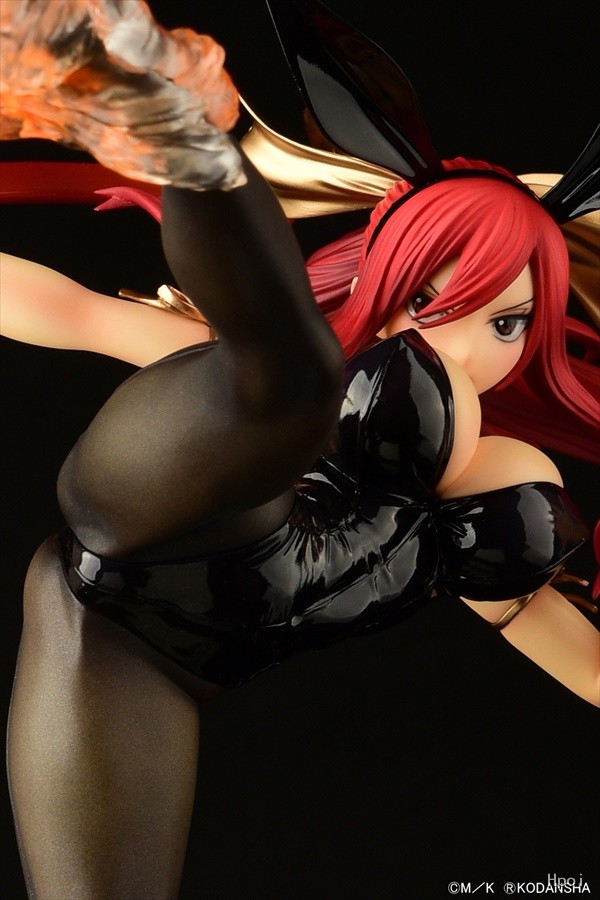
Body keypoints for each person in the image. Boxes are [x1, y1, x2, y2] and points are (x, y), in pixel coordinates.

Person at [1, 1, 598, 897]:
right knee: (298, 376)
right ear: (384, 284)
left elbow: (578, 659)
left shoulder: (501, 495)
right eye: (429, 300)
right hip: (153, 510)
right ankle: (172, 119)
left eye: (507, 321)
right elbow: (75, 313)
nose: (466, 349)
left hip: (144, 663)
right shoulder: (294, 375)